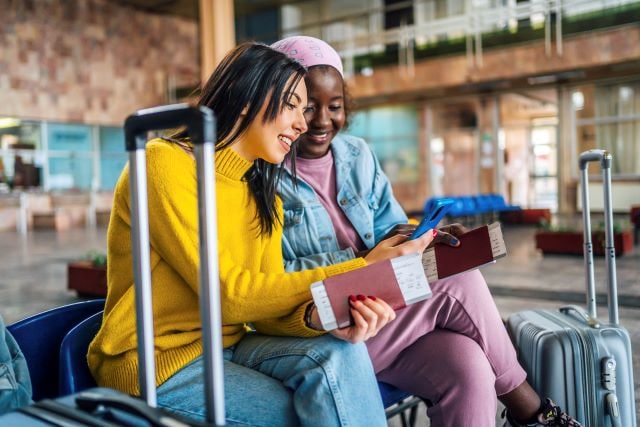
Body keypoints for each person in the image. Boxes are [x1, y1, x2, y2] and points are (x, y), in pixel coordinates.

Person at [87, 41, 434, 426]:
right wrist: (358, 268)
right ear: (248, 98)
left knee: (343, 354)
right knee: (311, 412)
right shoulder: (164, 163)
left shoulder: (262, 195)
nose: (303, 124)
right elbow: (228, 294)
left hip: (231, 346)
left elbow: (264, 311)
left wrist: (321, 318)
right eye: (292, 106)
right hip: (156, 363)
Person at [273, 35, 583, 427]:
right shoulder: (266, 171)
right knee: (453, 278)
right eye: (306, 107)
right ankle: (532, 411)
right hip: (326, 327)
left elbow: (390, 227)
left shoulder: (356, 155)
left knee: (468, 367)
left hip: (385, 314)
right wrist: (363, 259)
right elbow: (274, 275)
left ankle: (529, 410)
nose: (321, 121)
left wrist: (423, 237)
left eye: (333, 107)